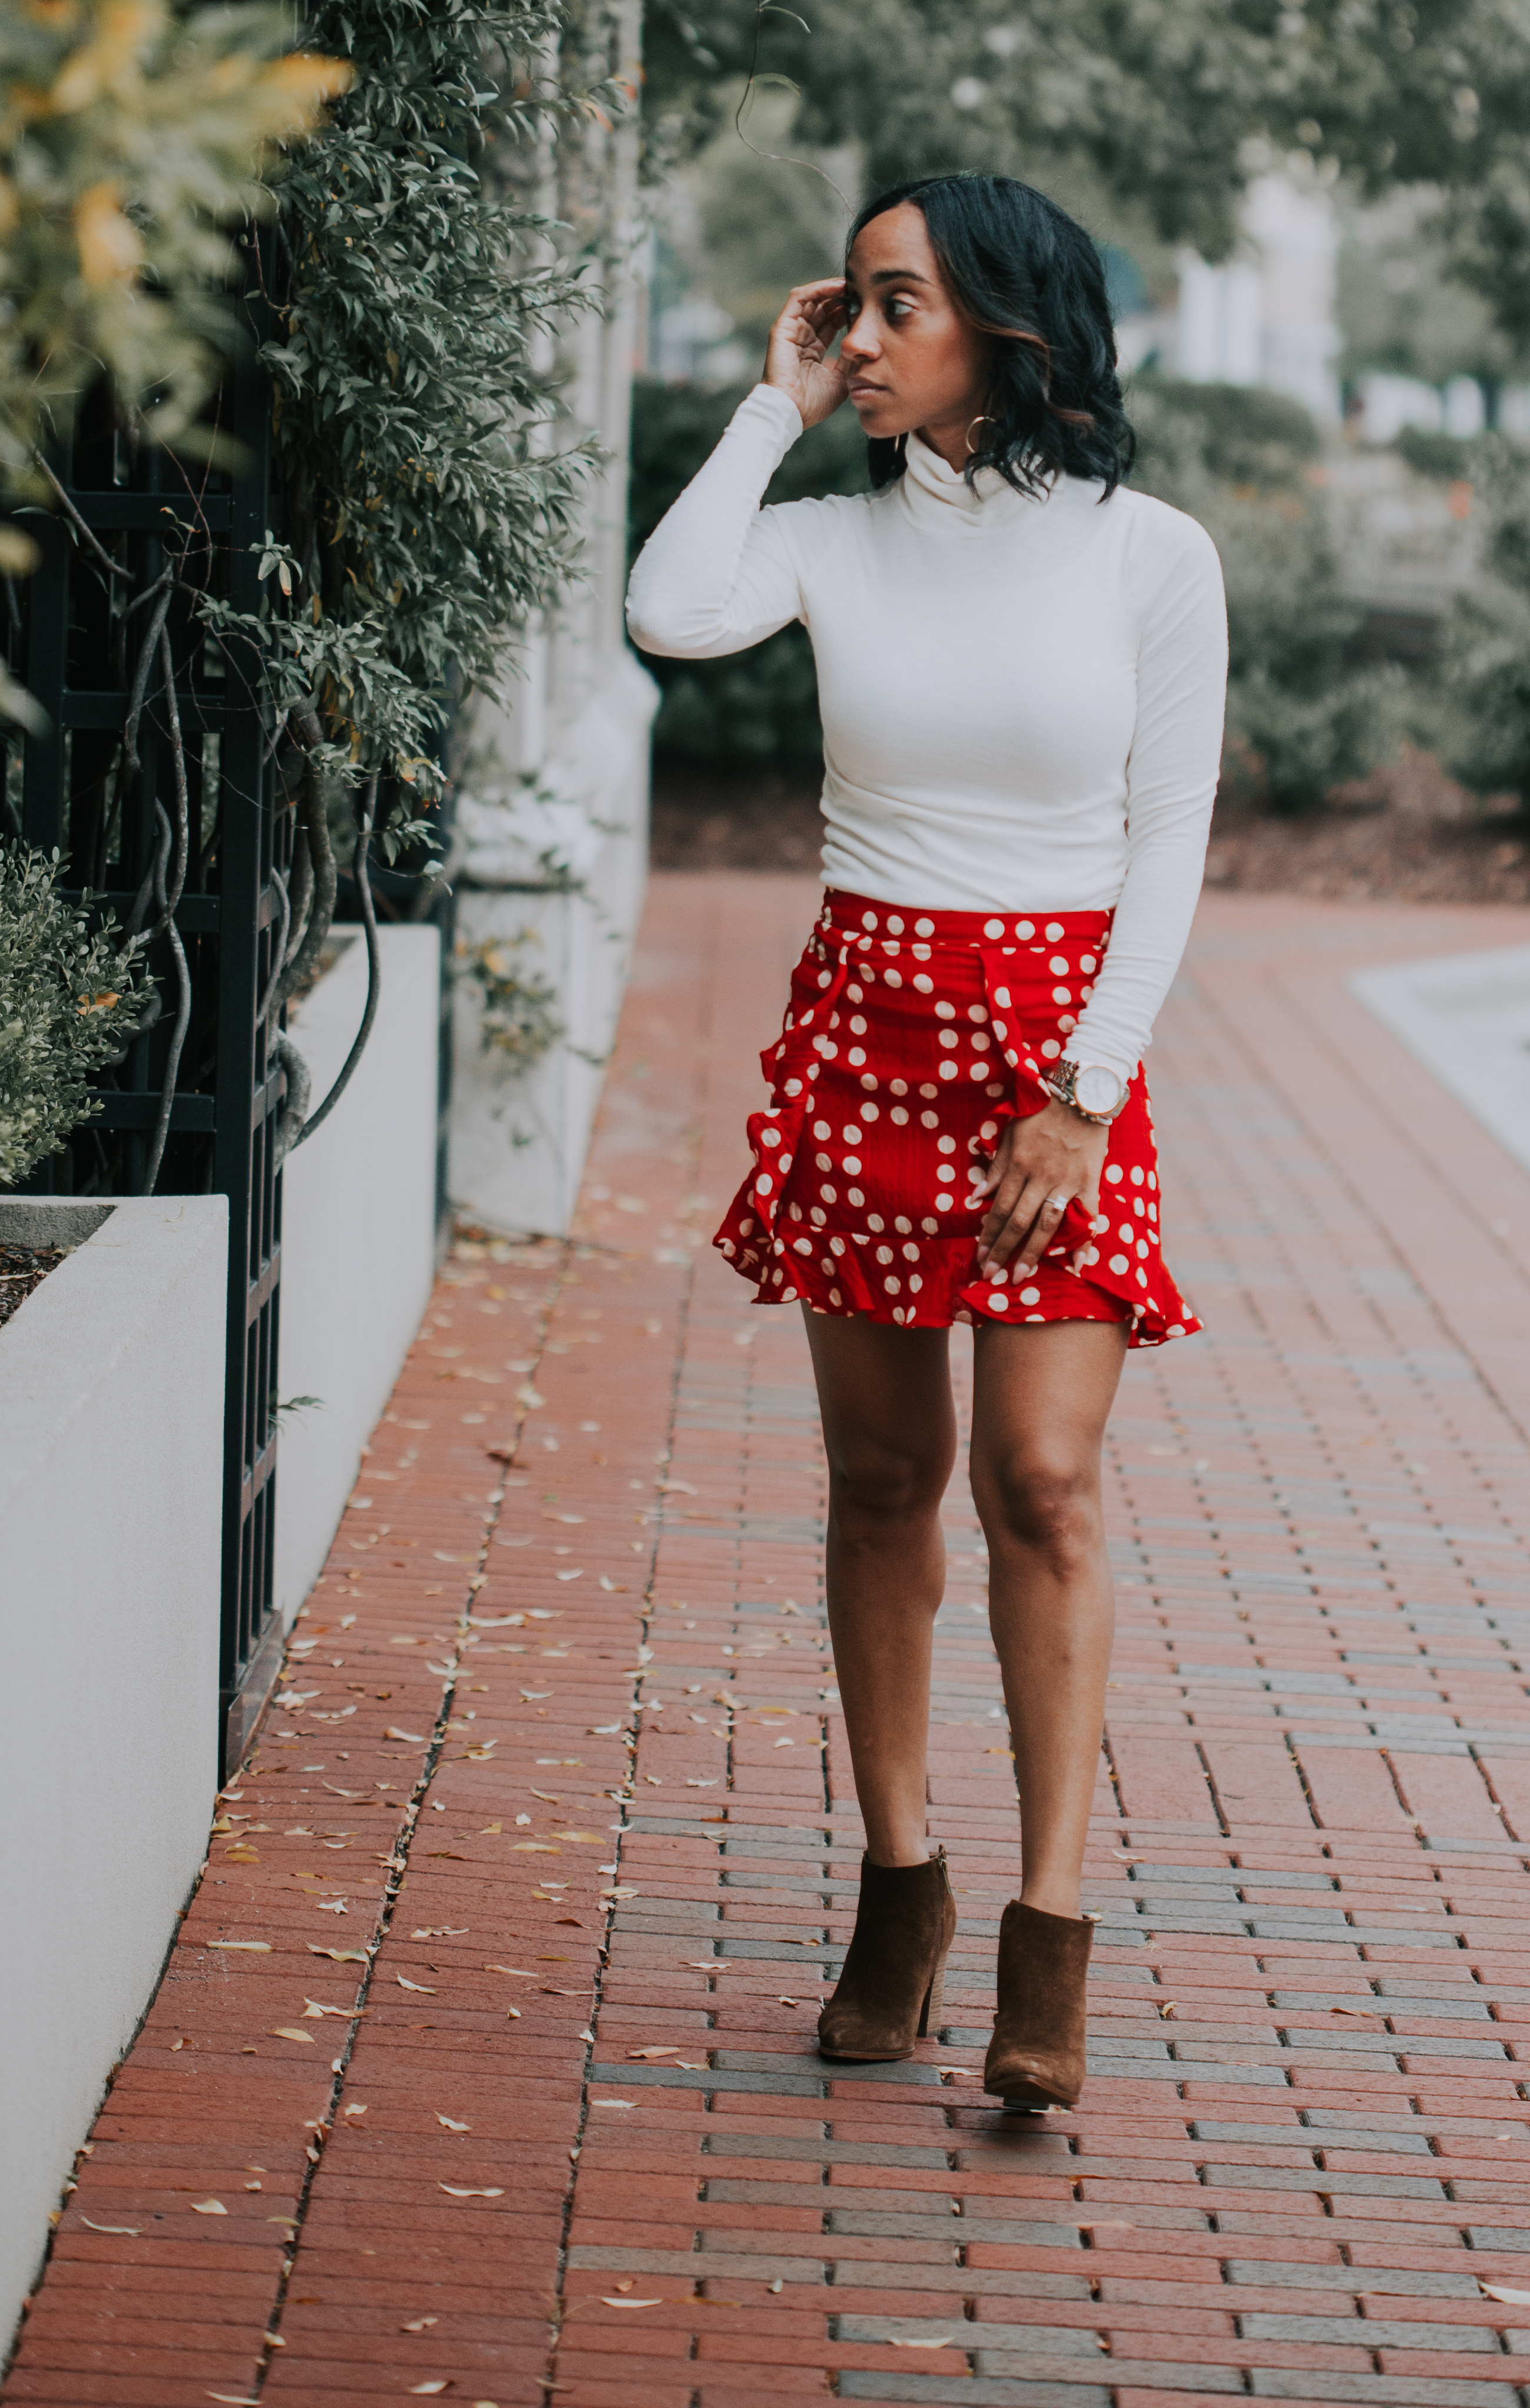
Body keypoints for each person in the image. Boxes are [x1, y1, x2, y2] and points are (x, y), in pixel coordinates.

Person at [626, 171, 1227, 2109]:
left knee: (1042, 1483)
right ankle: (905, 1884)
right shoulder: (834, 539)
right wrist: (767, 405)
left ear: (1008, 325)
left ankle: (1051, 1926)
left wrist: (1082, 1091)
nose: (864, 339)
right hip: (870, 1026)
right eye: (853, 309)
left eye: (897, 309)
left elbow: (1166, 843)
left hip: (1060, 1052)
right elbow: (668, 609)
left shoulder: (1152, 557)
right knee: (885, 1482)